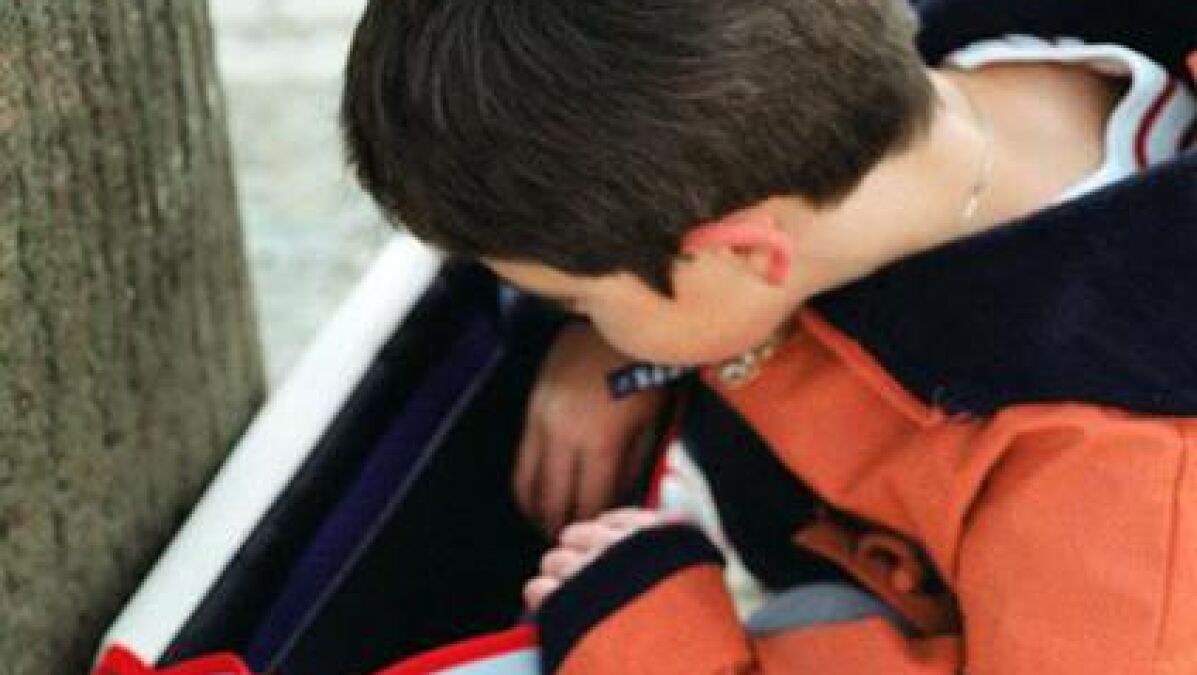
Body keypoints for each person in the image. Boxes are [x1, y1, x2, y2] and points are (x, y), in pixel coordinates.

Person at [342, 0, 1197, 671]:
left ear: (748, 250)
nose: (575, 321)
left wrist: (646, 634)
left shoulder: (1118, 482)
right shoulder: (877, 101)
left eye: (574, 301)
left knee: (811, 617)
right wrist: (622, 347)